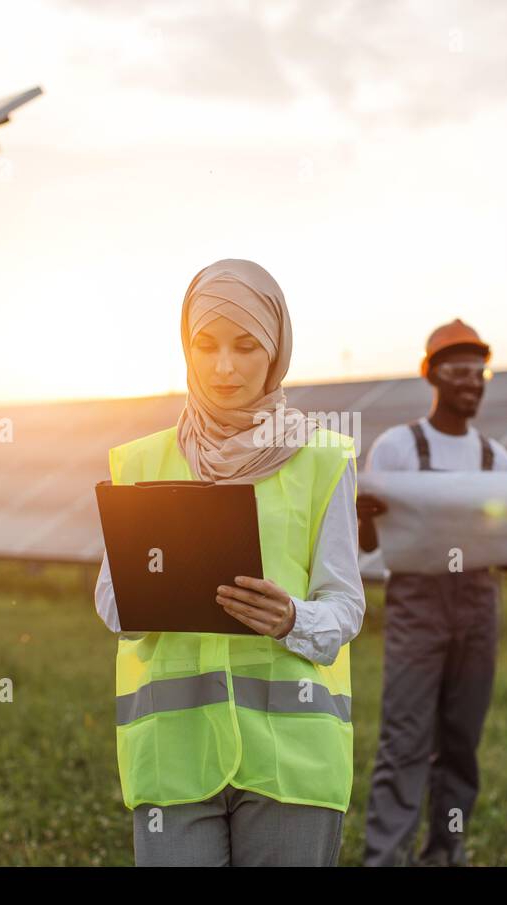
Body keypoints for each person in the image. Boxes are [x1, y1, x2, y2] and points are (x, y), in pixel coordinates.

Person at [94, 258, 365, 866]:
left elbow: (346, 606)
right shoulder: (141, 463)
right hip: (173, 755)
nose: (223, 367)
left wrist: (293, 617)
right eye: (205, 345)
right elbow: (113, 606)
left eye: (246, 347)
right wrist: (152, 591)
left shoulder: (323, 460)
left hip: (293, 760)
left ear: (277, 351)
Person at [357, 318, 507, 866]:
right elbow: (365, 538)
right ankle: (386, 858)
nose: (472, 381)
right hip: (417, 608)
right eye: (458, 371)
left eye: (480, 372)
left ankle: (445, 854)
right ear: (431, 375)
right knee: (404, 742)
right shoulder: (398, 447)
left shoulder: (499, 459)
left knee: (461, 742)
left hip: (479, 607)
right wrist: (361, 515)